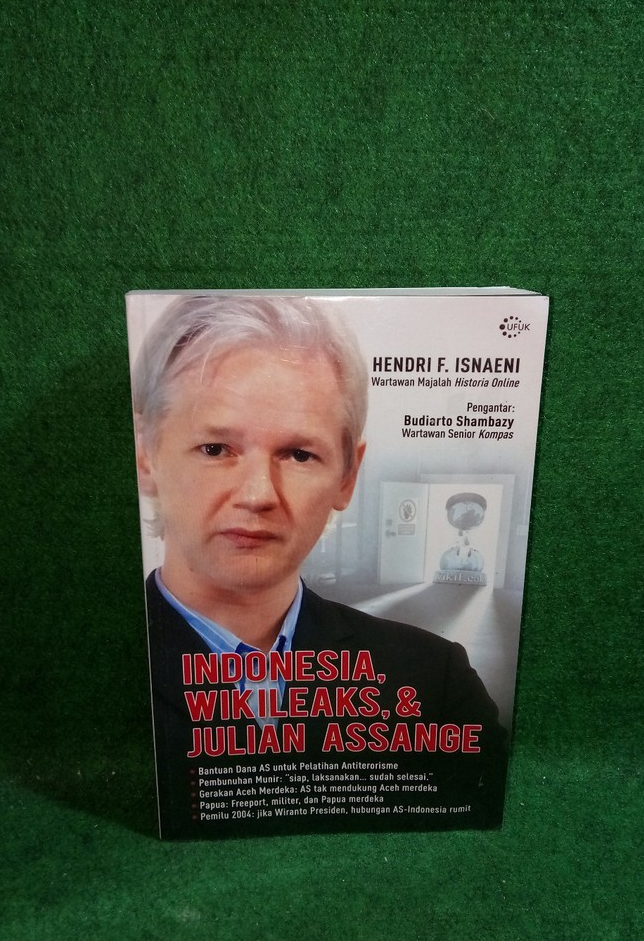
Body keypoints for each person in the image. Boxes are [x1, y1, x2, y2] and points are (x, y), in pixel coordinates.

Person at [131, 295, 505, 838]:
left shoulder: (435, 679)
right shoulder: (83, 676)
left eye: (298, 455)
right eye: (215, 449)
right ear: (147, 456)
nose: (258, 494)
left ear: (347, 477)